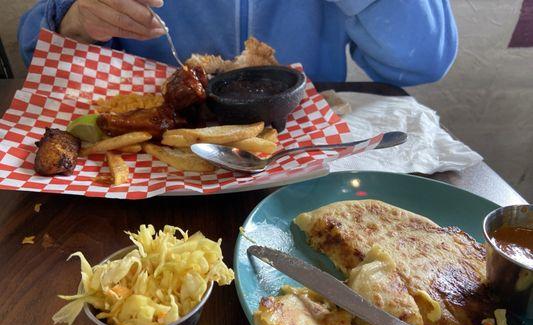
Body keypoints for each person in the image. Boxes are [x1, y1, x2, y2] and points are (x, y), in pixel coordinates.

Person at [18, 0, 458, 86]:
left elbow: (426, 61)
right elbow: (34, 49)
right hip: (148, 171)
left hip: (306, 159)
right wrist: (73, 18)